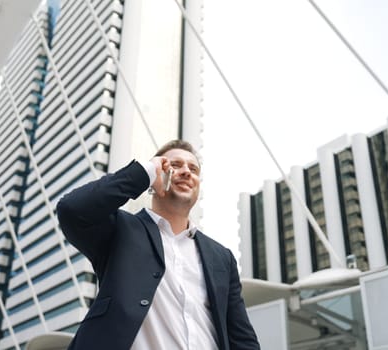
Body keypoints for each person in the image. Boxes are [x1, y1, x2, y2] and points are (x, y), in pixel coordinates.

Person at [56, 140, 260, 350]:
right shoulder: (119, 230)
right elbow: (71, 209)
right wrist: (145, 172)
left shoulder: (221, 257)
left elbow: (241, 337)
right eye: (174, 165)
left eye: (193, 169)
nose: (186, 172)